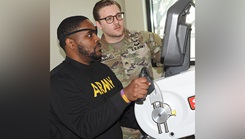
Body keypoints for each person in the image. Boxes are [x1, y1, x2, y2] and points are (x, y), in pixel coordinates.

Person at [50, 15, 150, 139]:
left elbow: (123, 115)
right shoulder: (58, 81)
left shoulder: (102, 69)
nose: (97, 38)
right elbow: (85, 127)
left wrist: (154, 120)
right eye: (90, 35)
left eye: (96, 33)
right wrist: (124, 96)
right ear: (71, 43)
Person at [92, 0, 163, 138]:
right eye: (109, 19)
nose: (116, 21)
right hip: (120, 127)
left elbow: (172, 61)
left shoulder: (145, 39)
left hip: (153, 115)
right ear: (99, 24)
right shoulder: (95, 54)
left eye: (119, 15)